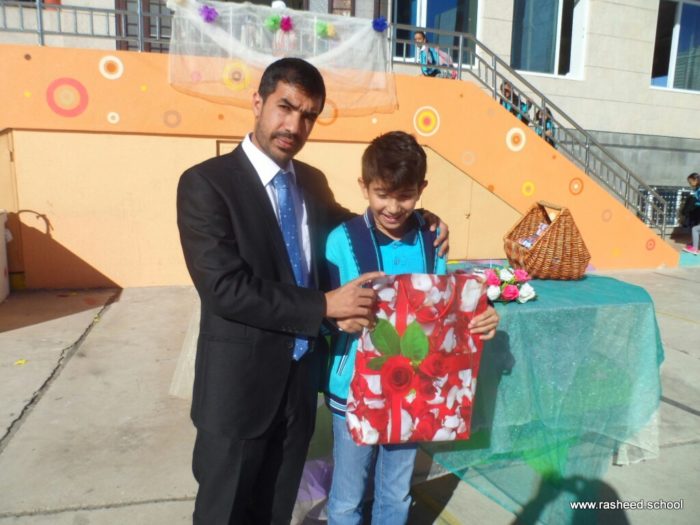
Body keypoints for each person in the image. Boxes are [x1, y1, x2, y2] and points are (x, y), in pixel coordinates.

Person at [176, 58, 449, 525]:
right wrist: (324, 305)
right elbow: (224, 288)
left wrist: (420, 222)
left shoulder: (310, 181)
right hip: (240, 390)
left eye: (308, 115)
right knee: (225, 512)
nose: (294, 125)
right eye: (285, 107)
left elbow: (359, 225)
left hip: (300, 385)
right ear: (258, 101)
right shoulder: (206, 184)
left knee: (275, 508)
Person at [323, 131, 500, 524]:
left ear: (421, 189)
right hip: (353, 389)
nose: (393, 207)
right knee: (347, 499)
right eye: (382, 194)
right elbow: (322, 310)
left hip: (413, 391)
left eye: (404, 196)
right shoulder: (340, 242)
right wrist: (335, 321)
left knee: (396, 493)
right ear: (364, 187)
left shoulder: (432, 239)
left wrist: (480, 314)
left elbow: (443, 309)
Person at [682, 172, 700, 254]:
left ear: (695, 180)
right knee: (696, 229)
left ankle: (695, 248)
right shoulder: (697, 189)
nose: (690, 184)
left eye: (690, 182)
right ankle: (694, 245)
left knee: (695, 229)